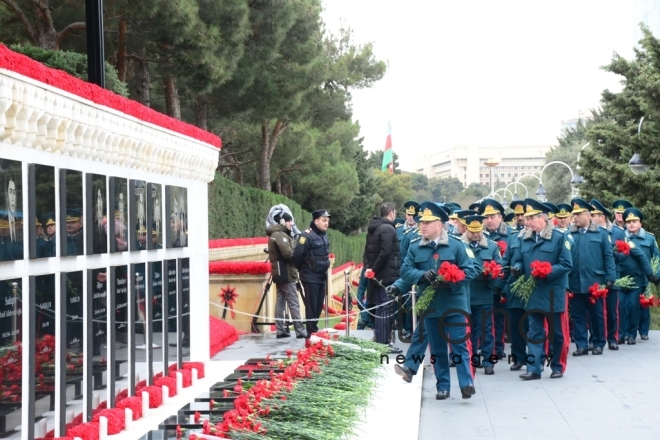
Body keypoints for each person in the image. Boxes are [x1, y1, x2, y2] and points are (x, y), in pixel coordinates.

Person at [396, 203, 477, 400]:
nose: (422, 225)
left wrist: (451, 278)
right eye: (421, 222)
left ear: (439, 225)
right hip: (430, 306)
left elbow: (471, 270)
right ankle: (443, 387)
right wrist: (423, 275)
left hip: (454, 304)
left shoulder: (457, 245)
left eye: (427, 222)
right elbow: (405, 271)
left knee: (459, 345)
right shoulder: (415, 246)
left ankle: (466, 383)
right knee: (438, 348)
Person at [511, 199, 572, 380]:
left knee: (556, 333)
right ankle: (534, 368)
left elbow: (567, 264)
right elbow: (520, 260)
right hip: (533, 292)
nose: (527, 222)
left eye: (531, 218)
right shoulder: (525, 238)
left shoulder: (559, 237)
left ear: (543, 218)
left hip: (553, 291)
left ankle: (557, 366)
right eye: (527, 219)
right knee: (534, 332)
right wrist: (517, 268)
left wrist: (547, 271)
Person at [567, 199, 616, 356]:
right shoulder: (568, 234)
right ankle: (581, 345)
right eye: (574, 214)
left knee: (597, 314)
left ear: (588, 215)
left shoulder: (601, 234)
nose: (575, 217)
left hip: (594, 282)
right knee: (577, 315)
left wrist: (610, 277)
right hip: (575, 281)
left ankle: (598, 343)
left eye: (578, 214)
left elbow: (608, 257)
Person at [463, 214, 503, 375]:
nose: (475, 234)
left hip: (485, 295)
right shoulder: (460, 245)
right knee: (468, 330)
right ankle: (472, 360)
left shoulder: (491, 247)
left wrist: (491, 275)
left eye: (478, 231)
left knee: (487, 330)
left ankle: (488, 362)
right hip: (465, 295)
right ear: (466, 229)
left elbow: (500, 268)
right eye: (472, 231)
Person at [364, 202, 402, 353]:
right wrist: (373, 269)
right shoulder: (387, 228)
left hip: (377, 275)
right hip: (386, 275)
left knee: (381, 309)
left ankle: (380, 341)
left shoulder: (373, 229)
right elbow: (385, 253)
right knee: (385, 309)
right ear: (391, 213)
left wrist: (369, 269)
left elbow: (366, 253)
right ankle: (384, 343)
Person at [480, 199, 515, 361]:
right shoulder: (480, 236)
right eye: (486, 217)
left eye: (493, 216)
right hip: (486, 286)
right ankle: (489, 348)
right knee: (486, 321)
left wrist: (503, 283)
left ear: (500, 217)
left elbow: (512, 262)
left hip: (504, 286)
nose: (489, 220)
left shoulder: (511, 236)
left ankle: (499, 348)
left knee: (501, 319)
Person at [619, 207, 660, 344]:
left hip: (644, 277)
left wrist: (656, 275)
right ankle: (624, 333)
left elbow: (656, 257)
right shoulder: (620, 237)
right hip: (625, 279)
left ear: (640, 223)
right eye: (629, 222)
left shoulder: (649, 237)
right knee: (624, 306)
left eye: (634, 221)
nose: (631, 224)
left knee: (641, 306)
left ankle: (643, 331)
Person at [268, 212, 306, 339]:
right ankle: (300, 331)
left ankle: (280, 330)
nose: (292, 224)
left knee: (280, 302)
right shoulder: (280, 235)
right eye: (290, 222)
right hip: (285, 273)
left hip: (280, 273)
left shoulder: (276, 234)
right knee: (293, 302)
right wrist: (299, 255)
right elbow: (288, 254)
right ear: (283, 222)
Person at [293, 209, 331, 338]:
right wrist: (304, 270)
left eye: (327, 221)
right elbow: (297, 256)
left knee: (319, 305)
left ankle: (314, 328)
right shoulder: (306, 236)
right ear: (316, 221)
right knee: (311, 305)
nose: (326, 223)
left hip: (321, 276)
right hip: (310, 276)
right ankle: (310, 333)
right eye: (324, 220)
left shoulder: (323, 235)